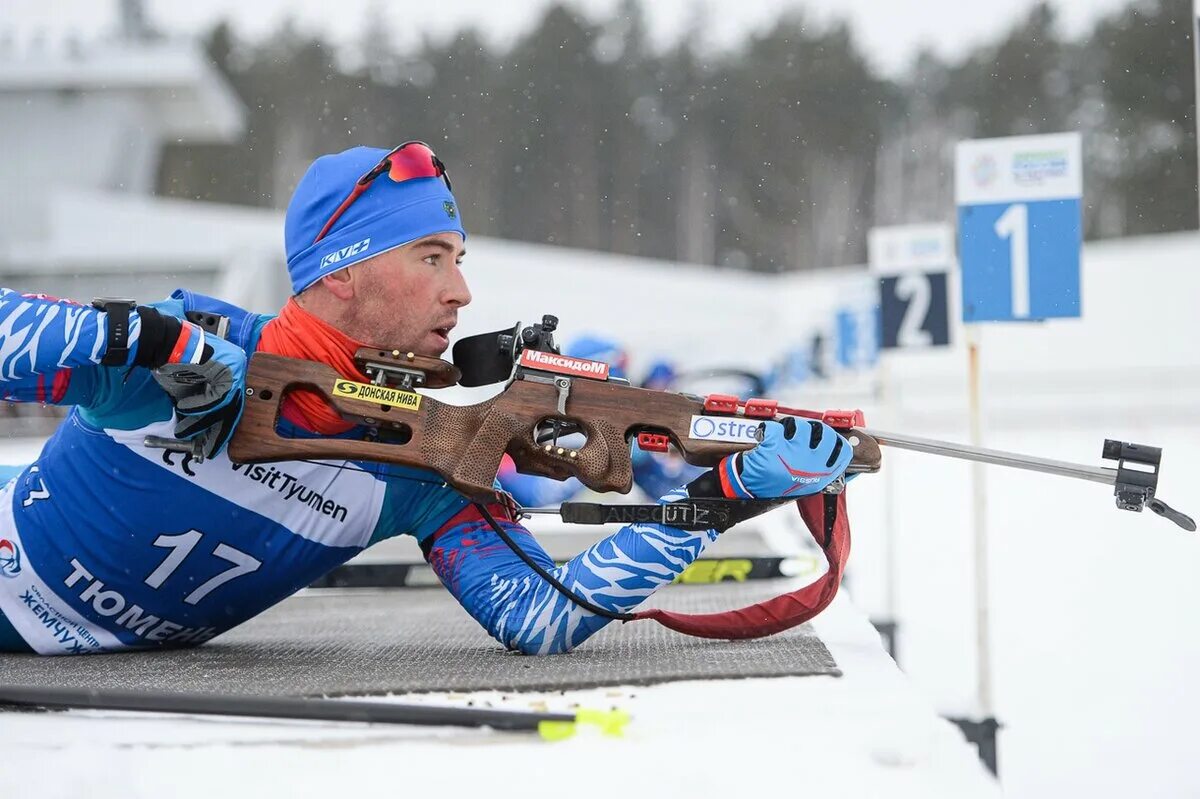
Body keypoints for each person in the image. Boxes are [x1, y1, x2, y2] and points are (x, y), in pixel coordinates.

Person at [0, 142, 852, 657]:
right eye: (433, 258)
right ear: (341, 270)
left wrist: (717, 498)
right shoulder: (191, 352)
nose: (463, 292)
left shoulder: (427, 458)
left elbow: (545, 617)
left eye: (460, 259)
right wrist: (151, 342)